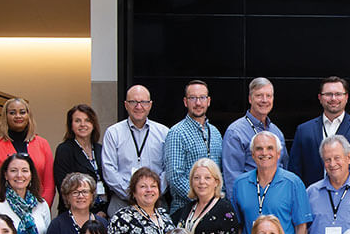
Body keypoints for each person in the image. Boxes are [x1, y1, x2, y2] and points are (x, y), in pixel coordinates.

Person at [231, 131, 313, 234]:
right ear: (252, 154)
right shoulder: (240, 184)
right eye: (259, 149)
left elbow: (301, 227)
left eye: (270, 148)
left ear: (278, 154)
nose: (264, 153)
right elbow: (238, 226)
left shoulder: (293, 183)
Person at [290, 76, 350, 186]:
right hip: (313, 199)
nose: (333, 98)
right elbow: (295, 170)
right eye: (328, 94)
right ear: (320, 98)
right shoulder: (304, 130)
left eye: (338, 94)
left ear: (346, 97)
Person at [101, 84, 168, 212]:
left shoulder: (164, 133)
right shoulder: (113, 133)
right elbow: (109, 169)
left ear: (150, 105)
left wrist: (152, 193)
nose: (138, 106)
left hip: (156, 205)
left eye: (143, 102)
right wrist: (132, 194)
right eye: (133, 102)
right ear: (126, 105)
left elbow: (168, 169)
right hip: (122, 204)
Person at [0, 98, 56, 205]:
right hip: (4, 210)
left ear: (28, 115)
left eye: (22, 112)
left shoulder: (42, 144)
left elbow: (49, 185)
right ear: (5, 116)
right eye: (12, 113)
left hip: (37, 208)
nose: (18, 116)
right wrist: (3, 207)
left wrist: (41, 208)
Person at [165, 80, 224, 212]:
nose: (198, 103)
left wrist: (214, 202)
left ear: (208, 101)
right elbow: (175, 178)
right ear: (186, 102)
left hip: (213, 209)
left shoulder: (215, 133)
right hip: (185, 211)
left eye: (202, 98)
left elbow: (220, 173)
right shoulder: (177, 133)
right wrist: (202, 199)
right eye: (193, 98)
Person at [221, 77, 289, 190]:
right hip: (249, 200)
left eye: (269, 96)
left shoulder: (276, 132)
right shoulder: (235, 132)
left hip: (277, 198)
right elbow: (232, 178)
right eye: (259, 96)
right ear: (250, 99)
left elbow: (284, 167)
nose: (264, 100)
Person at [53, 104, 107, 216]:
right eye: (77, 121)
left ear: (93, 124)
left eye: (87, 120)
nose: (83, 124)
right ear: (71, 125)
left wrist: (103, 211)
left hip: (102, 213)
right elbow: (63, 186)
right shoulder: (64, 150)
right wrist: (90, 213)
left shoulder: (100, 149)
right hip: (75, 213)